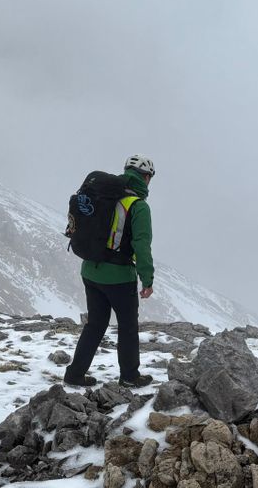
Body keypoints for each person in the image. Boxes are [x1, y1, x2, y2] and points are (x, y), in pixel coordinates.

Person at [64, 154, 156, 389]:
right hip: (118, 277)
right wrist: (147, 279)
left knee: (95, 324)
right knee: (127, 326)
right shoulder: (138, 206)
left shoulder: (102, 194)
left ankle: (75, 374)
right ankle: (129, 376)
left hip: (90, 270)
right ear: (145, 178)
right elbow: (141, 245)